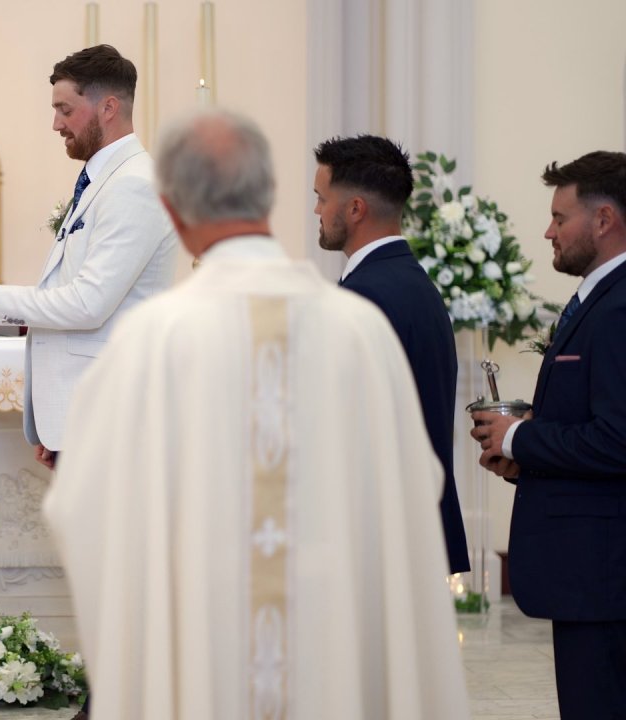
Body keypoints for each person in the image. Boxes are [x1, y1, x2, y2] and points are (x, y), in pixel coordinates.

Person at [43, 109, 470, 719]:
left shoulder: (153, 339)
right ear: (268, 197)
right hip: (330, 626)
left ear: (173, 210)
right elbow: (415, 480)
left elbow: (80, 505)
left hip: (203, 636)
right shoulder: (357, 331)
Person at [0, 44, 177, 472]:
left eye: (65, 110)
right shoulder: (102, 179)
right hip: (83, 413)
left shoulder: (134, 185)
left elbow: (88, 303)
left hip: (110, 413)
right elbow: (67, 289)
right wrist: (56, 423)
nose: (56, 124)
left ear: (108, 107)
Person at [471, 151, 626, 720]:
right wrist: (522, 455)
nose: (548, 230)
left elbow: (618, 439)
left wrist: (519, 439)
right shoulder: (596, 297)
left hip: (604, 578)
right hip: (590, 575)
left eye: (560, 218)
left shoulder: (620, 306)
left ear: (604, 219)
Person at [313, 135, 471, 575]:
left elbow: (343, 421)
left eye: (321, 199)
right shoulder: (412, 283)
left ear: (355, 208)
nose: (316, 212)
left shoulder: (367, 295)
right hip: (413, 521)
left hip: (379, 535)